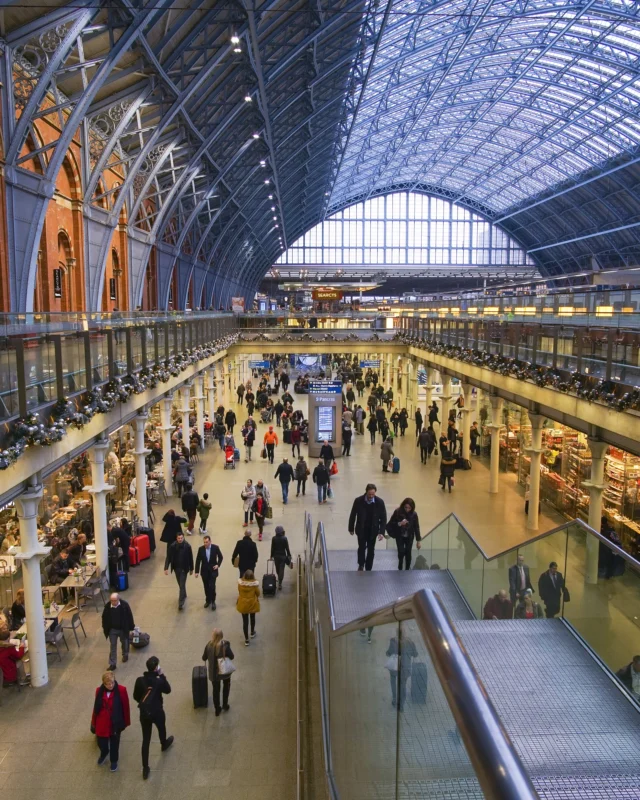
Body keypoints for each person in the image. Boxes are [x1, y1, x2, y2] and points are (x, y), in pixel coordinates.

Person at [133, 656, 174, 780]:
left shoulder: (139, 680)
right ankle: (163, 743)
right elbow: (168, 690)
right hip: (157, 711)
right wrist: (162, 675)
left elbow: (136, 696)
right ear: (156, 668)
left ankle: (145, 767)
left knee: (146, 739)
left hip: (144, 713)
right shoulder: (158, 681)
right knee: (161, 727)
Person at [91, 670, 131, 772]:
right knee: (101, 742)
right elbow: (95, 708)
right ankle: (104, 752)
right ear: (104, 684)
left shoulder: (121, 690)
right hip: (102, 722)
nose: (111, 685)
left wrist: (125, 722)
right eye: (108, 684)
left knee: (115, 743)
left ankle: (114, 761)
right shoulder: (98, 691)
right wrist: (93, 722)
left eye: (112, 683)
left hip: (115, 723)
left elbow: (125, 707)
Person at [348, 483, 387, 571]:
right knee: (361, 547)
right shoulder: (358, 501)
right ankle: (361, 564)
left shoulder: (380, 502)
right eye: (369, 494)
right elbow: (353, 514)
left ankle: (369, 567)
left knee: (371, 549)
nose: (371, 496)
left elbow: (383, 518)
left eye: (373, 494)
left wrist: (381, 532)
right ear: (366, 492)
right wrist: (351, 528)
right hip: (361, 529)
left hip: (373, 530)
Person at [203, 628, 235, 716]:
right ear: (221, 636)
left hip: (214, 673)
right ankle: (225, 704)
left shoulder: (208, 645)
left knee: (216, 691)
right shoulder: (225, 646)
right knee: (226, 687)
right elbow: (232, 656)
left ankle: (217, 709)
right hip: (225, 672)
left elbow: (204, 658)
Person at [102, 592, 135, 671]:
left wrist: (131, 627)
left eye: (114, 600)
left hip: (122, 629)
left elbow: (129, 616)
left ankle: (125, 654)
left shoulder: (124, 605)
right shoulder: (107, 607)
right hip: (112, 630)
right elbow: (104, 618)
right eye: (111, 600)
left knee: (124, 642)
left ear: (118, 599)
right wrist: (105, 627)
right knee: (113, 646)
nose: (113, 602)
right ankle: (113, 663)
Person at [386, 498, 421, 570]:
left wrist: (418, 541)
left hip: (409, 536)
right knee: (401, 551)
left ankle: (407, 568)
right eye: (406, 507)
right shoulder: (397, 512)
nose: (407, 509)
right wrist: (400, 523)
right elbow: (391, 524)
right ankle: (400, 565)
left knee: (408, 552)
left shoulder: (414, 514)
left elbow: (416, 527)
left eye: (409, 508)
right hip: (400, 535)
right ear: (403, 506)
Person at [385, 634, 418, 710]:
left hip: (395, 667)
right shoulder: (410, 642)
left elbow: (389, 653)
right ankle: (401, 705)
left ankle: (394, 699)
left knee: (393, 681)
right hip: (405, 669)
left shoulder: (393, 641)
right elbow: (415, 654)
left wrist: (387, 653)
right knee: (403, 685)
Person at [164, 532, 194, 610]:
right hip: (176, 568)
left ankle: (181, 603)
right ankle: (184, 594)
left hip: (184, 569)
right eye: (178, 538)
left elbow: (191, 558)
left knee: (181, 584)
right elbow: (168, 557)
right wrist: (166, 568)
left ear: (183, 538)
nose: (180, 539)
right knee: (180, 584)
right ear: (176, 538)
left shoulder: (187, 546)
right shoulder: (172, 546)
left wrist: (191, 568)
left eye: (181, 538)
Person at [195, 535, 223, 610]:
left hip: (213, 571)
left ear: (210, 541)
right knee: (206, 587)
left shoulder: (215, 548)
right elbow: (198, 560)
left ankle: (213, 601)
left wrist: (218, 565)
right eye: (204, 542)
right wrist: (196, 571)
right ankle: (208, 600)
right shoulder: (200, 549)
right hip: (204, 572)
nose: (205, 544)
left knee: (212, 586)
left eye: (207, 542)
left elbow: (221, 557)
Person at [236, 569, 260, 646]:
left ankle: (246, 640)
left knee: (245, 621)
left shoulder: (240, 584)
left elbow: (239, 591)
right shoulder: (254, 585)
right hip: (252, 603)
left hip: (243, 604)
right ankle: (252, 632)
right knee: (252, 618)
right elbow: (258, 593)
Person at [271, 525, 292, 590]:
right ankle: (280, 582)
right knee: (281, 569)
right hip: (283, 556)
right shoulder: (284, 538)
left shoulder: (274, 538)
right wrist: (289, 555)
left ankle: (279, 578)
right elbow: (287, 548)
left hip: (276, 556)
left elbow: (273, 548)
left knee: (277, 569)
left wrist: (271, 556)